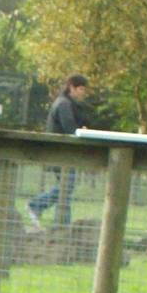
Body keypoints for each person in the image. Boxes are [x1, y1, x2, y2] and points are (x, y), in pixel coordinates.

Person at [27, 74, 91, 228]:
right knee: (66, 186)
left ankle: (62, 224)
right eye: (81, 89)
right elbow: (70, 128)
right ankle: (37, 205)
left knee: (66, 187)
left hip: (63, 152)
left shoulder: (68, 104)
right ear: (72, 88)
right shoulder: (63, 105)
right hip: (60, 152)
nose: (83, 93)